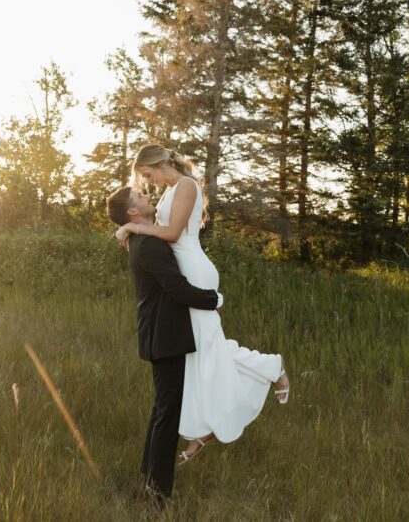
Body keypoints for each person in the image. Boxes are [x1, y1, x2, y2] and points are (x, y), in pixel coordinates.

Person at [114, 144, 290, 465]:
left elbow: (171, 232)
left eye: (148, 175)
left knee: (210, 350)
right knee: (203, 353)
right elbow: (161, 230)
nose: (148, 182)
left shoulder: (186, 186)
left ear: (159, 164)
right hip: (184, 269)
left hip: (194, 272)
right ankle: (204, 428)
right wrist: (136, 230)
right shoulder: (169, 191)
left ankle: (270, 368)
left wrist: (133, 226)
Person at [105, 186, 221, 507]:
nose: (148, 197)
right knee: (168, 416)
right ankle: (156, 499)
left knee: (163, 411)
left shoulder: (143, 239)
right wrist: (214, 300)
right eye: (141, 197)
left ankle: (148, 482)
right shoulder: (149, 245)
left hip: (162, 335)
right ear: (133, 212)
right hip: (166, 337)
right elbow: (177, 288)